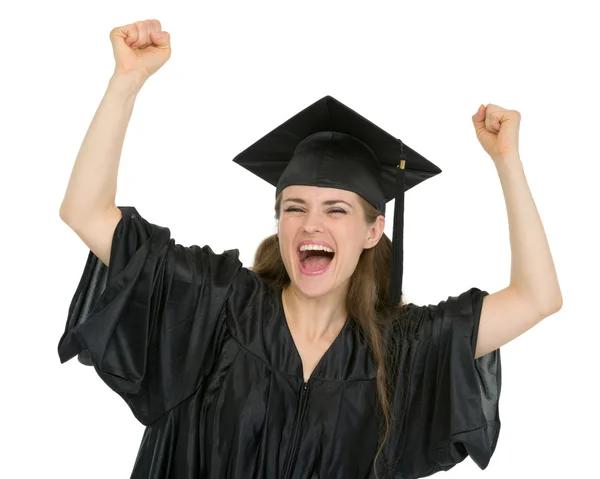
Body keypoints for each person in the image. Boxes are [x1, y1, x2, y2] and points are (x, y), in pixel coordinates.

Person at [57, 19, 563, 479]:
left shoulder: (401, 351)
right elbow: (87, 213)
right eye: (295, 207)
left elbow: (537, 298)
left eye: (337, 210)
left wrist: (507, 161)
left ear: (372, 232)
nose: (310, 225)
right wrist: (126, 82)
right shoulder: (217, 304)